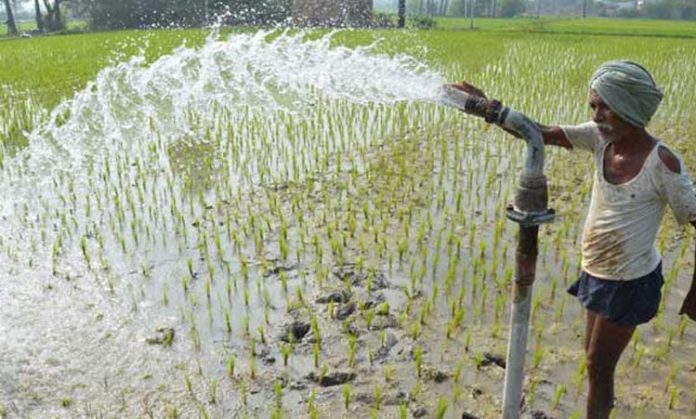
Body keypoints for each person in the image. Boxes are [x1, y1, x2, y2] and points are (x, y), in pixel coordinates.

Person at [452, 61, 696, 418]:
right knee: (592, 358)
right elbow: (539, 134)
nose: (596, 115)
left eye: (605, 106)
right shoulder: (600, 139)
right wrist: (488, 109)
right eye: (593, 106)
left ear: (631, 106)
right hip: (597, 272)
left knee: (599, 364)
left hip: (630, 281)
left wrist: (694, 291)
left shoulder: (663, 164)